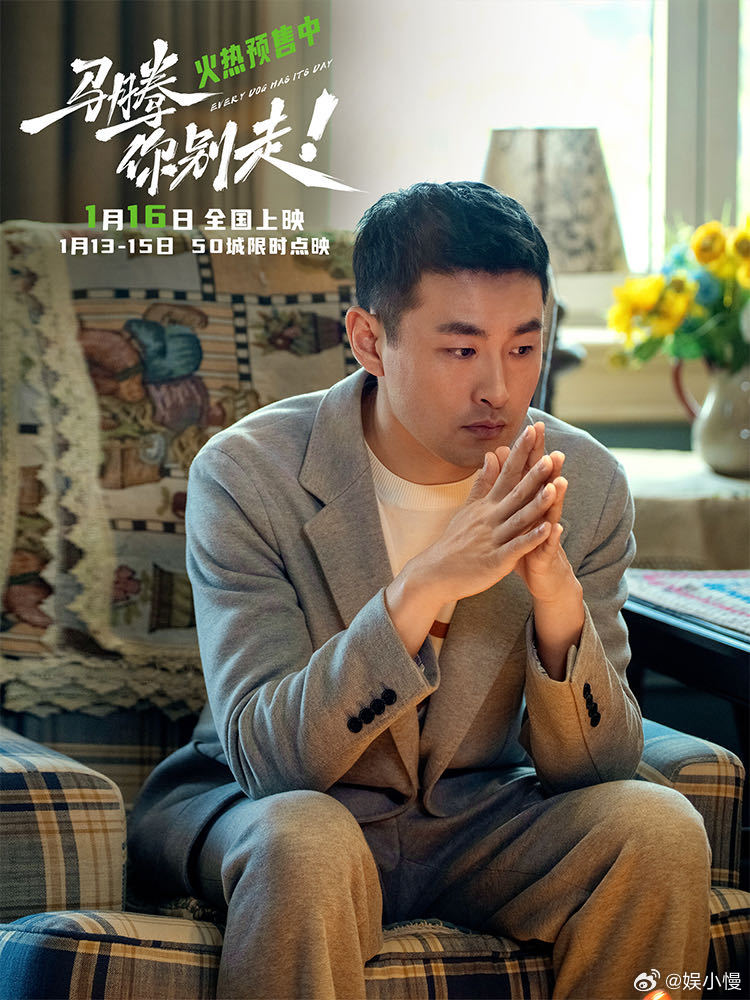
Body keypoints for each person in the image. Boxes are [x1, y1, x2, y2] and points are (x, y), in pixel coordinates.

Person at [128, 181, 711, 1000]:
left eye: (524, 347)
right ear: (369, 339)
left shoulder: (585, 481)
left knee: (657, 827)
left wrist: (557, 605)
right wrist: (428, 584)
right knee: (308, 841)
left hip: (478, 821)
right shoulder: (247, 473)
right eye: (461, 350)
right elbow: (270, 760)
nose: (499, 388)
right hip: (280, 812)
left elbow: (603, 767)